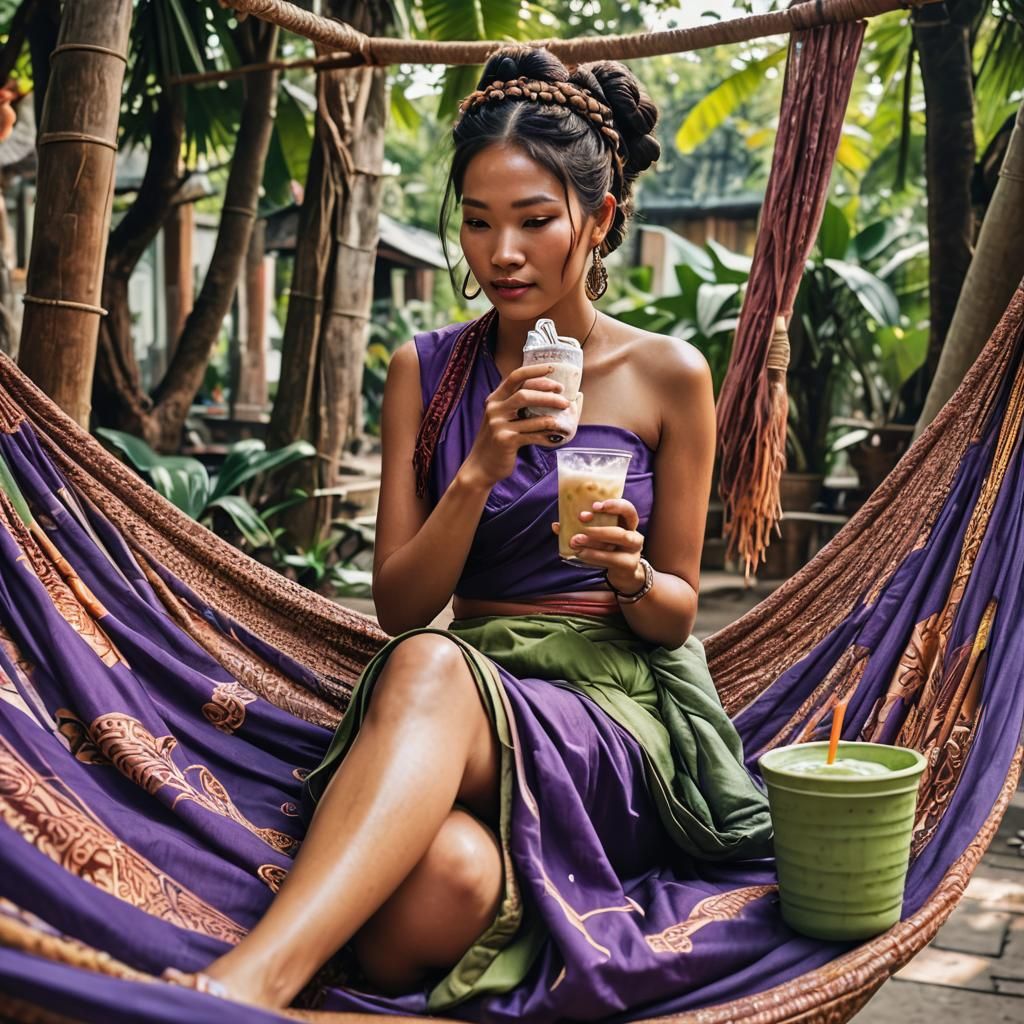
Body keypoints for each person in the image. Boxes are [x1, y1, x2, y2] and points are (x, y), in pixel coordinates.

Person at [189, 45, 772, 1019]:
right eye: (476, 220)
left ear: (599, 220)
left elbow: (675, 615)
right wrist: (480, 467)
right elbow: (401, 605)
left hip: (607, 714)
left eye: (535, 220)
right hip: (461, 698)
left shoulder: (668, 375)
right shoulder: (428, 370)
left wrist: (631, 574)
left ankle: (245, 987)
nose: (501, 253)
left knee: (428, 668)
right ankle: (509, 898)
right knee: (441, 887)